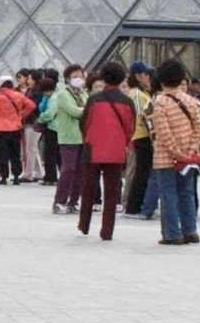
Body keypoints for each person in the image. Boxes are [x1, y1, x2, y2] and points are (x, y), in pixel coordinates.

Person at [145, 59, 200, 246]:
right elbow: (199, 129)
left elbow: (163, 133)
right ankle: (190, 230)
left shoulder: (158, 103)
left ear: (161, 79)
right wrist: (190, 150)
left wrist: (176, 153)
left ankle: (172, 233)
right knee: (186, 192)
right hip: (189, 158)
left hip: (165, 159)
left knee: (168, 194)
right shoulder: (192, 101)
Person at [77, 60, 137, 240]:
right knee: (112, 192)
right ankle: (107, 231)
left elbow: (84, 123)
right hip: (116, 150)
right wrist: (123, 142)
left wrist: (88, 138)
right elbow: (130, 127)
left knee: (88, 188)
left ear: (103, 77)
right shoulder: (127, 102)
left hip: (93, 148)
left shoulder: (94, 100)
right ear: (121, 79)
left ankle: (84, 224)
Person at [50, 65, 88, 215]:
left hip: (82, 137)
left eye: (81, 76)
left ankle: (73, 201)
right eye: (75, 76)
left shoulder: (83, 93)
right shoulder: (63, 95)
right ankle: (59, 201)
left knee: (80, 171)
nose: (79, 79)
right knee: (68, 169)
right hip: (68, 137)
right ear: (67, 79)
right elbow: (74, 111)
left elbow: (86, 106)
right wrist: (89, 108)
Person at [0, 74, 32, 186]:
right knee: (15, 153)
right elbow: (31, 105)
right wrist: (21, 115)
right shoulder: (19, 95)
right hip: (16, 128)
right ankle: (16, 176)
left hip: (1, 129)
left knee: (2, 154)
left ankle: (4, 177)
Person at [122, 63, 154, 215]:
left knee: (141, 171)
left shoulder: (141, 93)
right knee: (139, 172)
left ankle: (134, 203)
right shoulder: (135, 94)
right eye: (145, 74)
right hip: (141, 136)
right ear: (138, 76)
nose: (147, 77)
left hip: (141, 135)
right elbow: (141, 116)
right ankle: (133, 204)